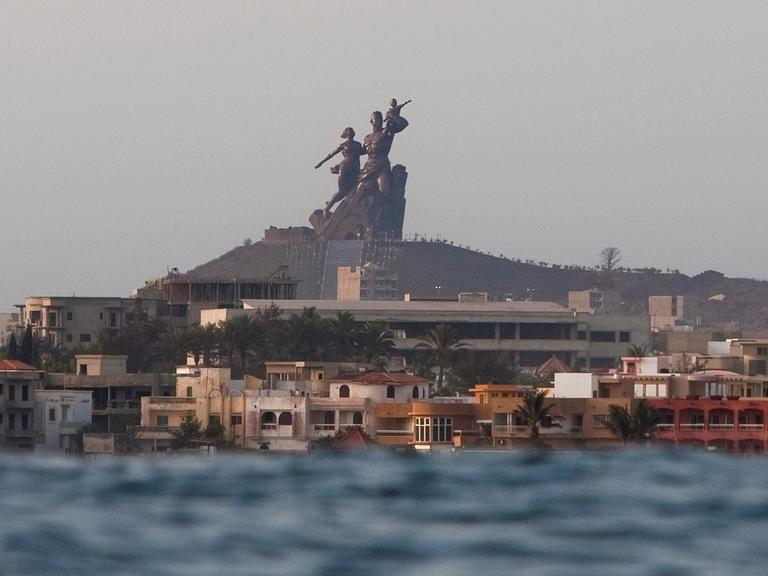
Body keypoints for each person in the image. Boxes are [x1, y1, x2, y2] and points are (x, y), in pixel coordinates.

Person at [314, 127, 364, 215]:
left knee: (352, 189)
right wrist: (321, 162)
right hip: (345, 168)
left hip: (355, 169)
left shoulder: (358, 145)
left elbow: (367, 150)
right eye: (349, 132)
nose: (351, 133)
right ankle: (327, 208)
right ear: (346, 134)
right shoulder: (344, 145)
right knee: (342, 191)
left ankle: (333, 204)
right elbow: (331, 154)